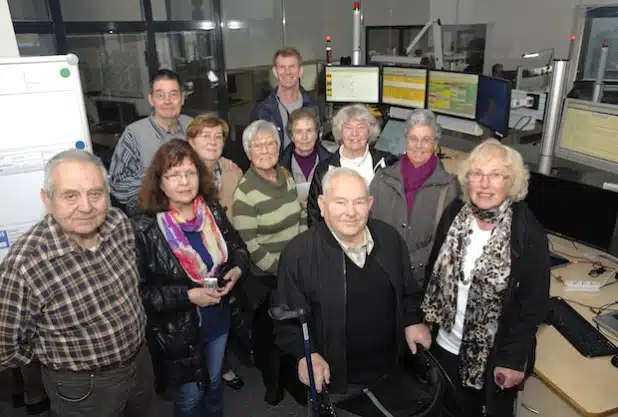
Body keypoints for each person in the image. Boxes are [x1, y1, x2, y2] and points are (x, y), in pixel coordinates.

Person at [0, 150, 154, 417]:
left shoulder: (118, 223)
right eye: (70, 195)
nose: (86, 206)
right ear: (47, 200)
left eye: (95, 193)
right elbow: (4, 346)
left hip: (140, 362)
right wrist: (53, 355)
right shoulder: (26, 264)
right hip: (83, 387)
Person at [406, 139, 550, 416]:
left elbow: (532, 306)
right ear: (467, 178)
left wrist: (512, 359)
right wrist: (419, 320)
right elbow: (432, 275)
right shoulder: (453, 216)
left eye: (496, 175)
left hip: (490, 358)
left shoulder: (527, 233)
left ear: (512, 182)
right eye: (477, 174)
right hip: (443, 345)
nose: (484, 184)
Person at [273, 168, 423, 416]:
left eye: (359, 202)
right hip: (335, 386)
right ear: (322, 204)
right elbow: (287, 319)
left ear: (370, 204)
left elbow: (408, 291)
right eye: (340, 202)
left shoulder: (390, 239)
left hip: (391, 373)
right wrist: (305, 354)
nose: (351, 212)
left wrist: (412, 321)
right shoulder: (298, 254)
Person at [133, 139, 249, 417]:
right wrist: (187, 296)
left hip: (218, 322)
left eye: (190, 172)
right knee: (190, 399)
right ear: (160, 182)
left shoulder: (212, 211)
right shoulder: (145, 228)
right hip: (179, 334)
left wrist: (237, 269)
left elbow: (238, 248)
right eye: (174, 174)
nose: (184, 181)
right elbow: (139, 294)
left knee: (214, 387)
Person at [232, 120, 307, 405]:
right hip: (266, 279)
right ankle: (272, 384)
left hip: (292, 270)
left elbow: (299, 217)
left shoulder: (285, 175)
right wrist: (284, 272)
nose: (265, 149)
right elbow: (251, 246)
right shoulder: (245, 193)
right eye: (258, 145)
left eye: (271, 143)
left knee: (295, 331)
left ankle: (295, 380)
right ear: (248, 152)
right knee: (271, 338)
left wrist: (300, 256)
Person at [186, 114, 246, 390]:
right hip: (197, 260)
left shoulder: (233, 171)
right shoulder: (184, 176)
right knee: (201, 321)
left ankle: (223, 364)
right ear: (191, 141)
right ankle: (205, 374)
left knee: (226, 313)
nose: (212, 141)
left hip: (229, 252)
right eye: (205, 136)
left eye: (218, 136)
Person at [370, 109, 458, 286]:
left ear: (435, 143)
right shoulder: (382, 178)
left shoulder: (449, 187)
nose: (418, 146)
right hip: (382, 273)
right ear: (405, 140)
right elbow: (369, 224)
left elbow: (445, 239)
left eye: (426, 140)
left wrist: (408, 266)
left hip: (422, 280)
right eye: (413, 138)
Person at [109, 69, 193, 213]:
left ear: (182, 98)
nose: (167, 101)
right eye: (160, 95)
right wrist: (156, 174)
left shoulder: (191, 126)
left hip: (190, 208)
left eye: (173, 94)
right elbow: (117, 186)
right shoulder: (134, 133)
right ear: (151, 100)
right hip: (151, 215)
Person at [307, 104, 396, 226]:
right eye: (348, 128)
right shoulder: (324, 170)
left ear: (369, 131)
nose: (355, 134)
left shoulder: (389, 163)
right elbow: (315, 217)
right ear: (340, 132)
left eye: (361, 127)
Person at [251, 47, 321, 156]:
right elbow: (255, 151)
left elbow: (319, 147)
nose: (287, 72)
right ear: (275, 71)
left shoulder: (314, 107)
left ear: (300, 71)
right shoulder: (262, 111)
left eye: (292, 67)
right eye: (282, 67)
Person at [279, 107, 331, 204]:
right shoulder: (279, 166)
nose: (304, 137)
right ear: (291, 136)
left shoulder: (332, 163)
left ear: (317, 134)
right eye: (299, 132)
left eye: (309, 131)